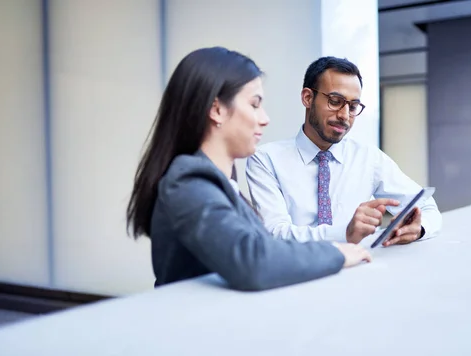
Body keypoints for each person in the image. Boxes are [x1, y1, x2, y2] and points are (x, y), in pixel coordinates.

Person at [126, 47, 371, 292]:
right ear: (217, 110)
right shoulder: (188, 181)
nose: (265, 119)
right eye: (254, 105)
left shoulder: (219, 183)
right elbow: (253, 260)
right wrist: (337, 253)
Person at [246, 56, 442, 246]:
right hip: (300, 275)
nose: (344, 116)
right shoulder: (265, 160)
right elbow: (275, 234)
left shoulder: (368, 157)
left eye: (353, 106)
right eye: (335, 101)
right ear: (307, 98)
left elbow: (426, 207)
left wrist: (418, 229)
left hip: (359, 271)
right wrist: (345, 233)